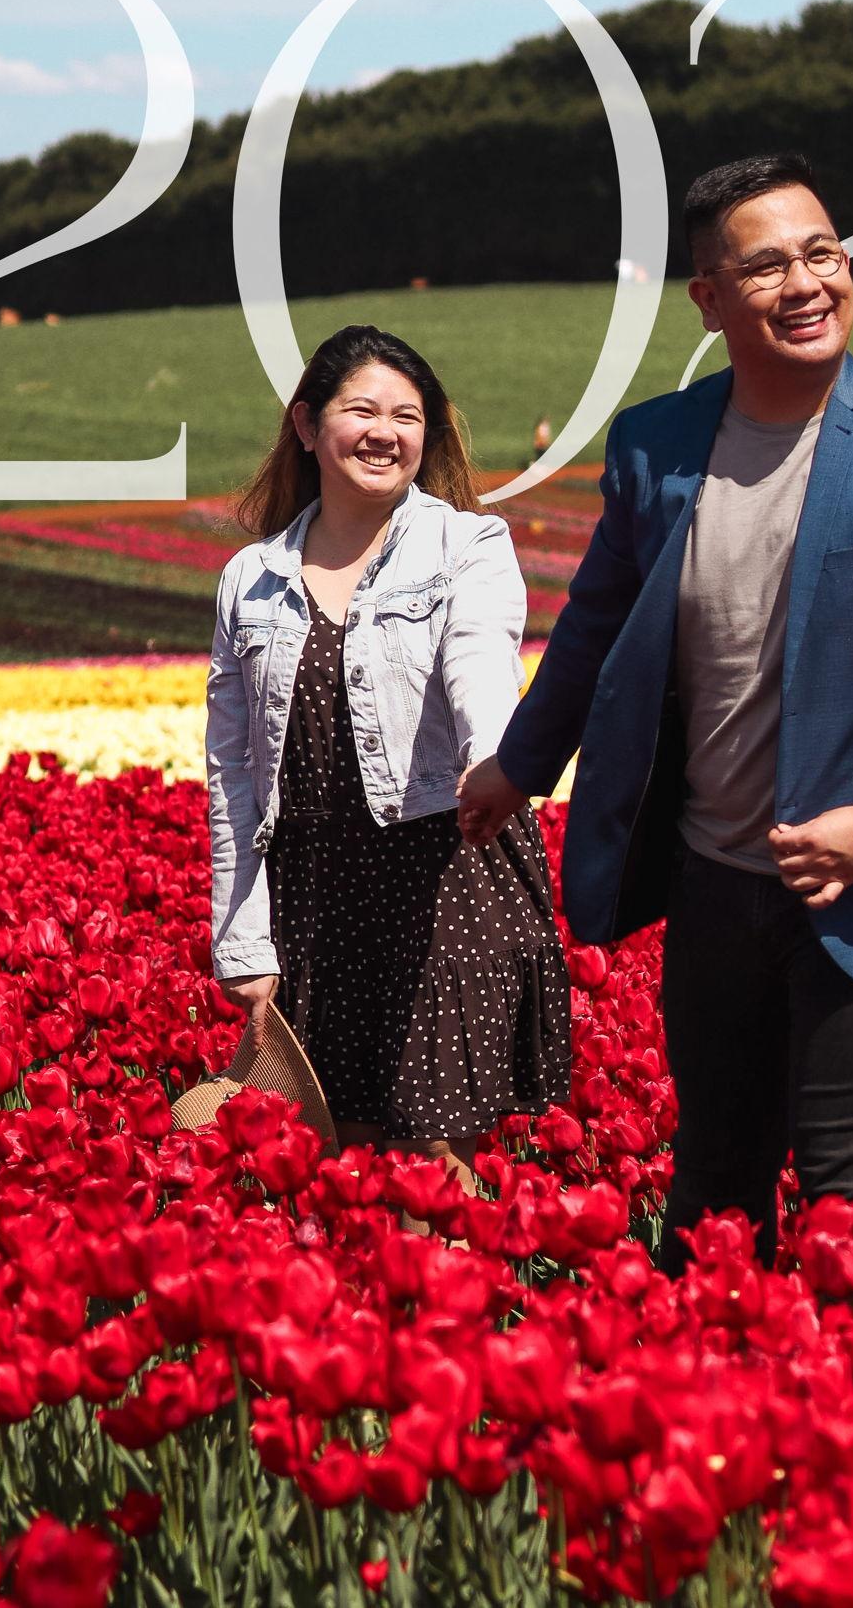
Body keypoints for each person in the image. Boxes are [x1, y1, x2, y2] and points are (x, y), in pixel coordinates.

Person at [459, 152, 853, 1300]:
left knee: (848, 1202)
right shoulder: (657, 447)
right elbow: (593, 628)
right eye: (767, 264)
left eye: (822, 253)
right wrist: (519, 767)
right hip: (716, 885)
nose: (805, 282)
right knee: (711, 1195)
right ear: (709, 299)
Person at [207, 324, 571, 1192]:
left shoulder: (467, 547)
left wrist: (493, 760)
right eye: (361, 410)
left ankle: (446, 1322)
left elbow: (482, 659)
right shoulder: (250, 578)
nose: (387, 433)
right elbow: (234, 773)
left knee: (432, 1170)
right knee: (343, 1166)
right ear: (306, 426)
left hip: (447, 868)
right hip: (318, 895)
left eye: (409, 416)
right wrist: (242, 940)